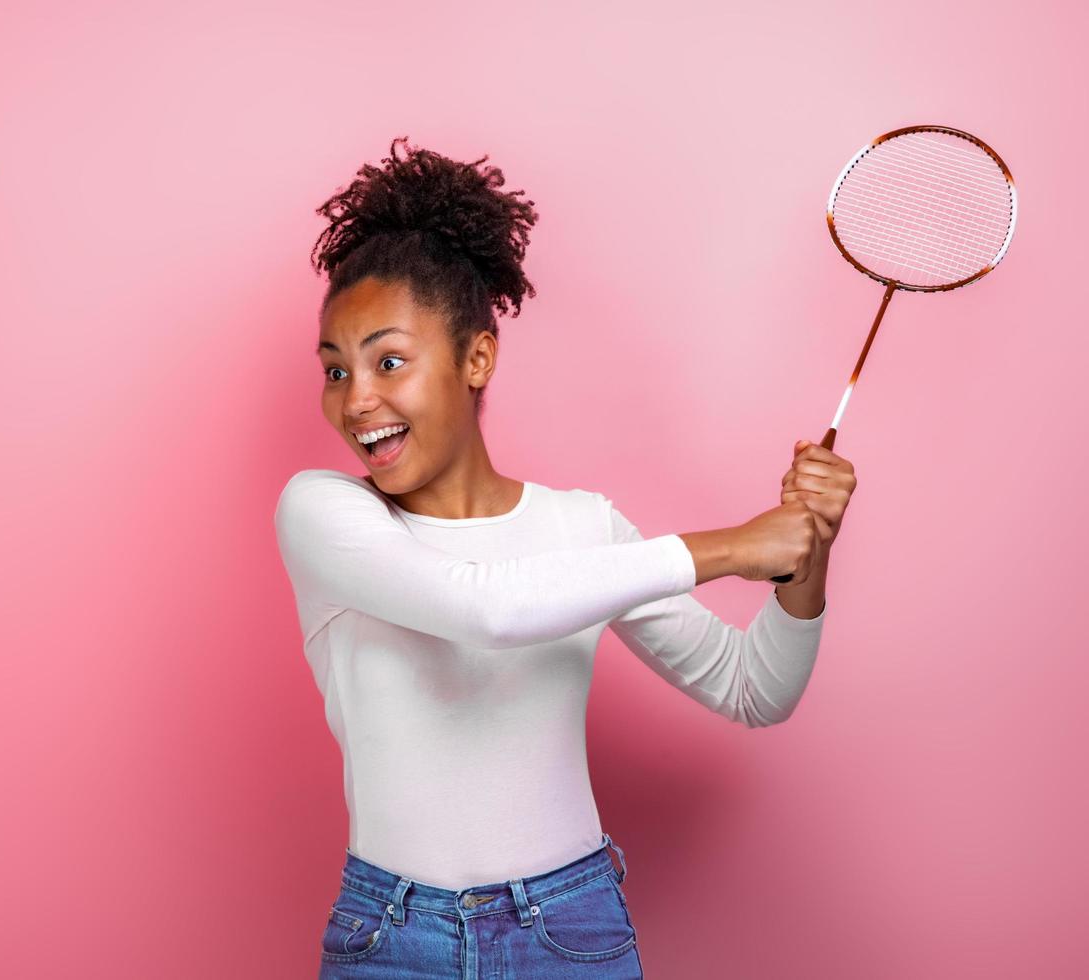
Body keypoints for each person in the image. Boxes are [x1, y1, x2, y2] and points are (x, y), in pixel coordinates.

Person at [274, 136, 857, 979]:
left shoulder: (583, 531)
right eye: (335, 371)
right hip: (391, 938)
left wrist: (806, 556)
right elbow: (486, 608)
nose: (356, 400)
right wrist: (732, 547)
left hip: (567, 932)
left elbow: (752, 689)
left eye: (388, 361)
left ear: (476, 357)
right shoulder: (323, 514)